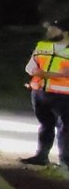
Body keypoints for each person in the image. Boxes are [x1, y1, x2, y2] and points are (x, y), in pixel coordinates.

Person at [21, 16, 69, 169]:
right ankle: (41, 156)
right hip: (40, 92)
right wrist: (42, 73)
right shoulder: (42, 46)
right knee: (45, 125)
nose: (49, 31)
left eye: (54, 29)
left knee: (65, 128)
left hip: (64, 95)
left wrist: (45, 74)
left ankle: (65, 160)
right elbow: (29, 68)